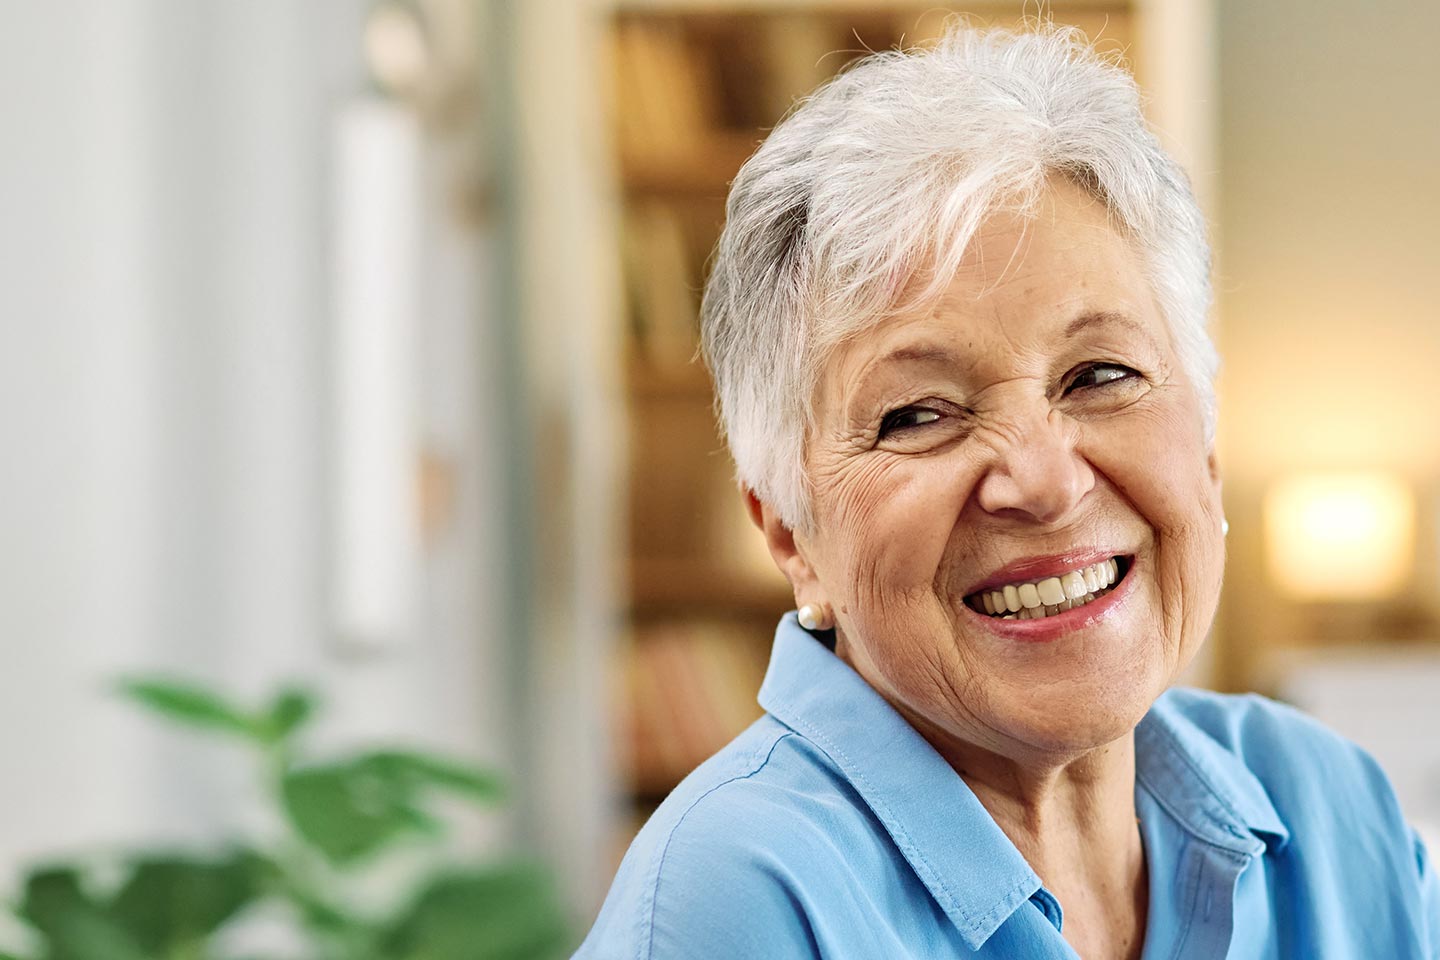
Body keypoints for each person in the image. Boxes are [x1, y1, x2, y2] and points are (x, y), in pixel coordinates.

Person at [577, 23, 1440, 959]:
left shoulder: (1324, 801)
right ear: (791, 535)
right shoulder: (732, 899)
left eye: (1100, 374)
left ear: (1206, 444)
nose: (1044, 480)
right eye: (918, 414)